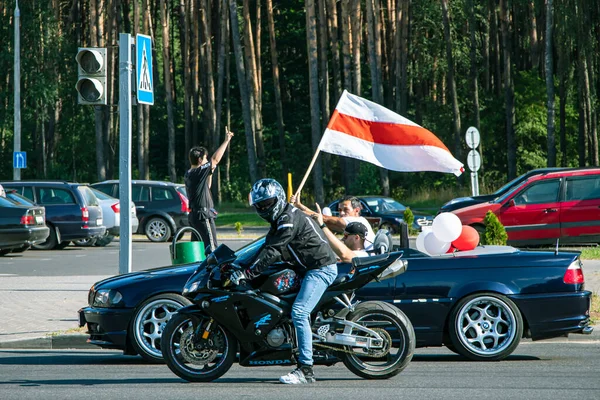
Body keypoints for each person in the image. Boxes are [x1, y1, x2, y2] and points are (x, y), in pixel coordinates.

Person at [230, 179, 338, 385]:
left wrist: (248, 273)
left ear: (278, 198)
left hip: (319, 268)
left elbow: (273, 251)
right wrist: (238, 264)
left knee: (299, 311)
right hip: (305, 268)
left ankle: (305, 370)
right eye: (260, 205)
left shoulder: (288, 219)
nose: (264, 208)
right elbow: (265, 247)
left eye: (267, 203)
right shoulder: (279, 219)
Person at [184, 128, 234, 250]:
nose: (207, 161)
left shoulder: (189, 173)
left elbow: (207, 186)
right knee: (212, 248)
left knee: (197, 249)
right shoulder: (197, 172)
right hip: (203, 216)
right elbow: (215, 160)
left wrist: (210, 173)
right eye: (205, 159)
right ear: (200, 160)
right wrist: (226, 141)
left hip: (195, 216)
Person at [291, 194, 375, 250]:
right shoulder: (353, 223)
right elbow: (320, 218)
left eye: (346, 210)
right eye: (339, 210)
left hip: (366, 258)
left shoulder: (356, 220)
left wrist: (293, 210)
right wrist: (299, 205)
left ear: (357, 210)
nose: (341, 213)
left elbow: (324, 218)